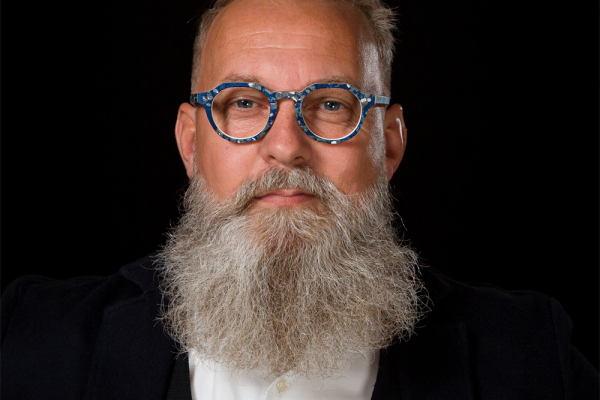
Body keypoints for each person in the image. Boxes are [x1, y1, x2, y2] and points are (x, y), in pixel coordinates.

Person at [2, 0, 598, 399]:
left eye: (332, 105)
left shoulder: (532, 359)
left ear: (389, 144)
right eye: (243, 103)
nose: (286, 147)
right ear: (190, 143)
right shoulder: (31, 339)